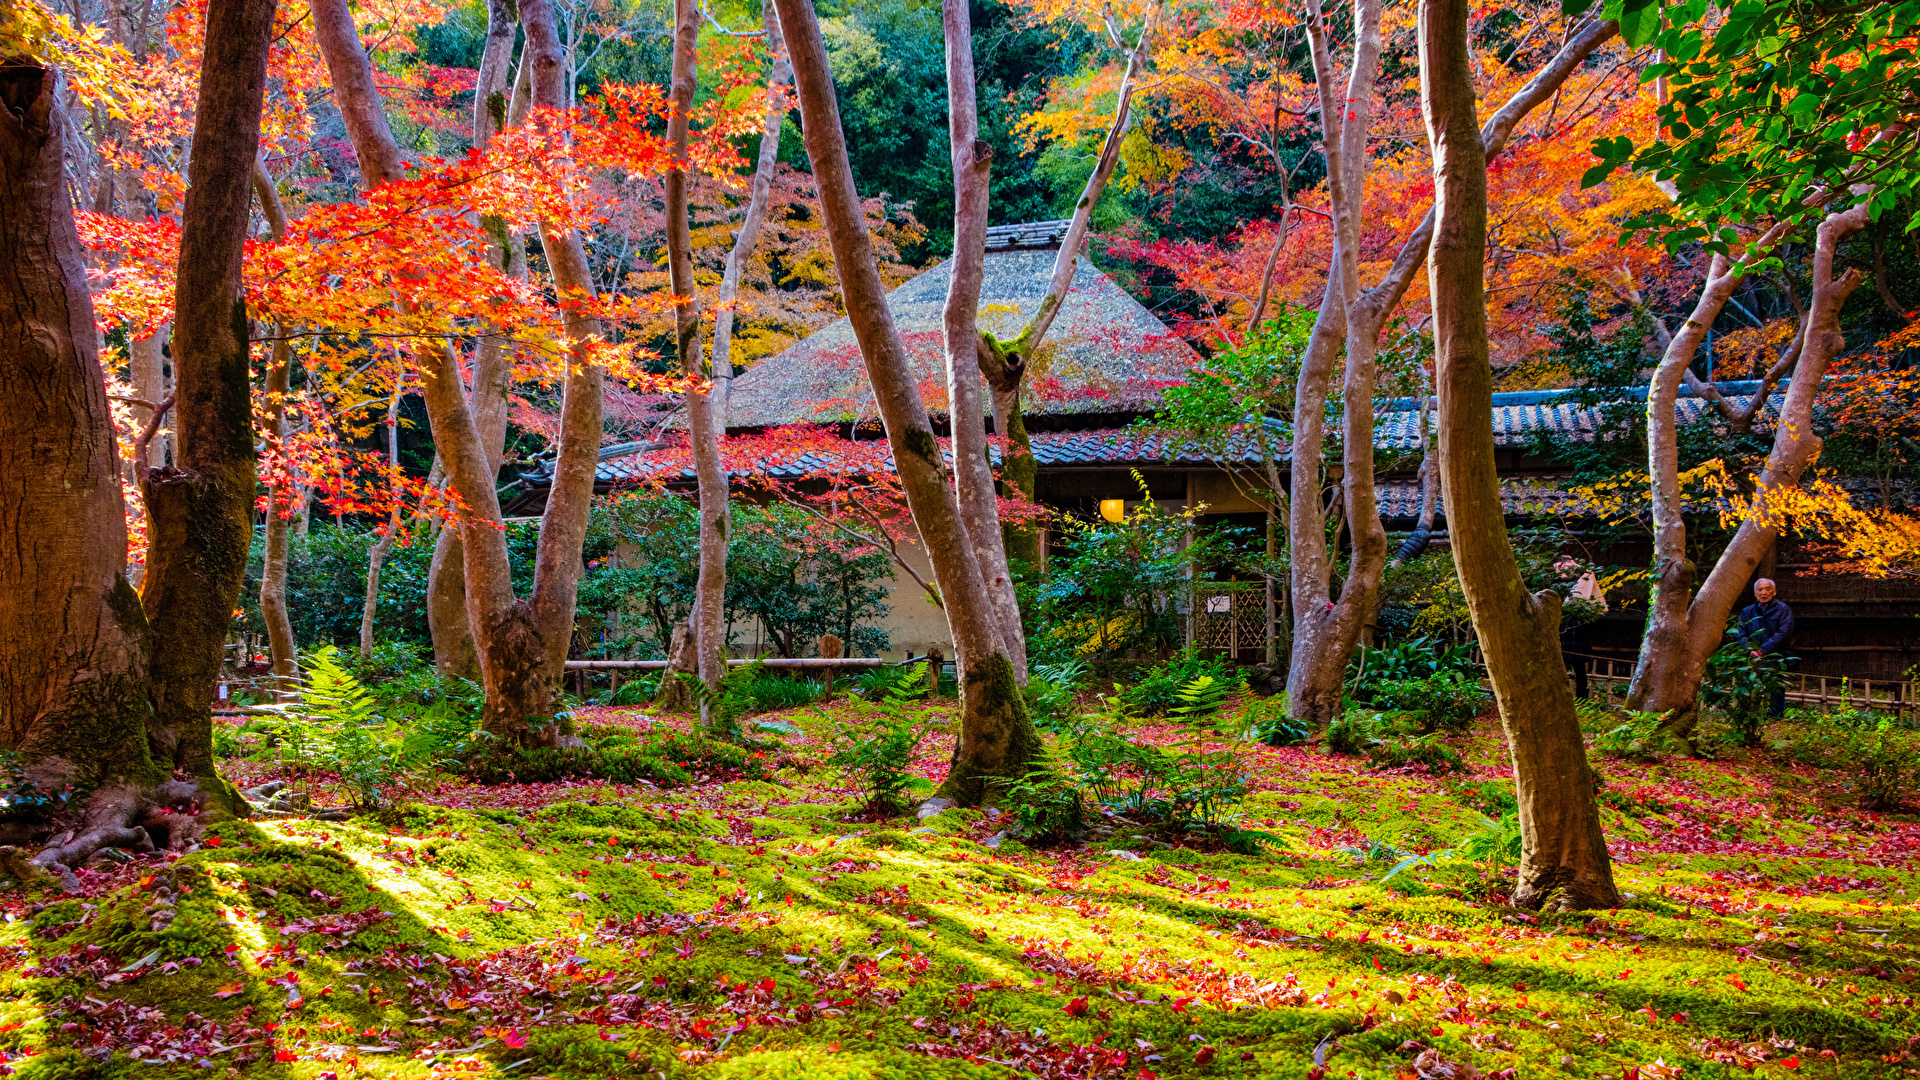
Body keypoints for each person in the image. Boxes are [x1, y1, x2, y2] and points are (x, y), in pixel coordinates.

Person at [1735, 578, 1794, 717]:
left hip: (1774, 654)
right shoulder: (1747, 611)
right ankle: (1746, 714)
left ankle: (1775, 716)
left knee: (1774, 686)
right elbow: (1741, 633)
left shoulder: (1783, 610)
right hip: (1751, 656)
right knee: (1746, 683)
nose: (1763, 592)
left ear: (1774, 592)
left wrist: (1764, 650)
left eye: (1767, 589)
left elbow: (1784, 633)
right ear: (1755, 593)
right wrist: (1749, 649)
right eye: (1760, 589)